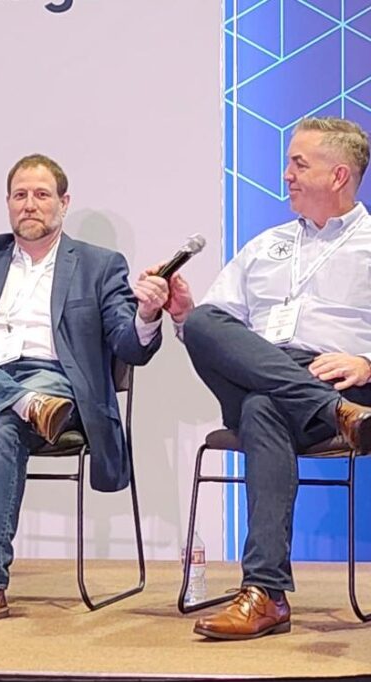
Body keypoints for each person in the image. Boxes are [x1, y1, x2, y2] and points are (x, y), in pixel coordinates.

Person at [0, 153, 166, 625]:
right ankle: (20, 401)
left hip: (54, 384)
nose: (30, 204)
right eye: (20, 195)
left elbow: (129, 346)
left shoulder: (99, 264)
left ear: (64, 203)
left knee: (0, 418)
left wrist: (147, 316)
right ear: (7, 203)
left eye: (41, 195)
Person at [154, 116, 371, 640]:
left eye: (299, 163)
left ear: (338, 175)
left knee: (262, 408)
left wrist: (370, 364)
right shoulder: (265, 245)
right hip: (309, 394)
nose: (286, 175)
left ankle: (266, 595)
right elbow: (215, 327)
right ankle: (332, 415)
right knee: (204, 319)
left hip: (338, 377)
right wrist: (182, 314)